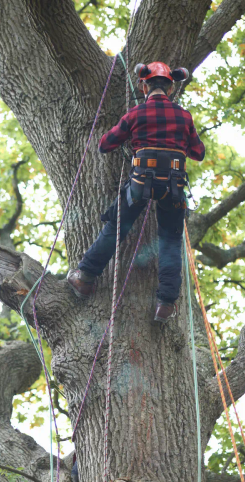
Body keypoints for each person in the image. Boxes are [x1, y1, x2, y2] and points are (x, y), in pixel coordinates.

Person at [67, 61, 205, 322]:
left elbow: (105, 145)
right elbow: (198, 152)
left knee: (116, 227)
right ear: (171, 86)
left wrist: (134, 138)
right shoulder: (184, 116)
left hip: (141, 182)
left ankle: (85, 278)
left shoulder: (135, 114)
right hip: (174, 186)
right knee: (170, 241)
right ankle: (165, 304)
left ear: (144, 85)